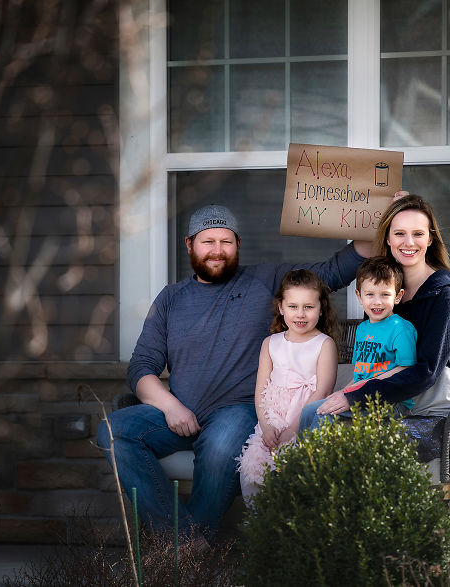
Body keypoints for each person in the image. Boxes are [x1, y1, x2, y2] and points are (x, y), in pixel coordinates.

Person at [97, 204, 372, 542]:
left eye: (225, 241)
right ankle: (186, 543)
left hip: (238, 411)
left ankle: (182, 556)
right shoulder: (170, 299)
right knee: (113, 431)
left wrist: (376, 218)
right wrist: (170, 407)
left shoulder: (265, 281)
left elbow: (334, 271)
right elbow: (141, 367)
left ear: (238, 244)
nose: (217, 250)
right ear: (189, 245)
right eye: (207, 241)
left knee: (222, 444)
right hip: (178, 412)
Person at [300, 193, 450, 432]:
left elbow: (426, 372)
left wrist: (356, 396)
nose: (409, 242)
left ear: (430, 239)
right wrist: (351, 390)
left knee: (323, 421)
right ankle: (300, 469)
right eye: (399, 233)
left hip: (431, 407)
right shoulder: (383, 291)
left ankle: (314, 470)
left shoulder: (444, 294)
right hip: (387, 394)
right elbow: (377, 358)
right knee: (309, 411)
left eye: (418, 234)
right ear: (388, 238)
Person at [235, 269, 340, 499]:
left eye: (308, 307)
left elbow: (322, 391)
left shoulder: (324, 344)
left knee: (296, 478)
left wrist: (293, 430)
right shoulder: (270, 343)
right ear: (281, 308)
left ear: (321, 309)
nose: (300, 314)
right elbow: (260, 390)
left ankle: (292, 530)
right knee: (252, 475)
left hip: (307, 422)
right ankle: (262, 529)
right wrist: (266, 426)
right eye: (293, 306)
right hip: (272, 421)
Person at [319, 256, 418, 419]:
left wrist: (366, 385)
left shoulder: (401, 328)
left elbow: (406, 368)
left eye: (385, 294)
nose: (377, 302)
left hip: (392, 401)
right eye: (370, 294)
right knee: (315, 410)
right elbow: (360, 373)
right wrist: (343, 391)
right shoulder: (362, 329)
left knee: (326, 417)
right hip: (362, 395)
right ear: (359, 296)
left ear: (398, 296)